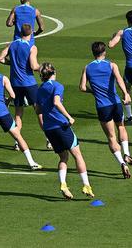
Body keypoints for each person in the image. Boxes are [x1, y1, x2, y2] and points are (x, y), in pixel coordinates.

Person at [36, 63, 93, 200]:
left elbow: (38, 110)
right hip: (61, 126)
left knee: (63, 157)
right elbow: (56, 102)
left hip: (49, 129)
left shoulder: (39, 89)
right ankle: (86, 185)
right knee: (78, 155)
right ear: (53, 72)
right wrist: (69, 117)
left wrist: (45, 126)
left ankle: (63, 184)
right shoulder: (57, 86)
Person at [80, 41, 132, 177]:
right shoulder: (112, 65)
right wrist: (126, 94)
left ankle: (122, 162)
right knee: (121, 127)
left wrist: (94, 92)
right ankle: (127, 153)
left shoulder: (87, 68)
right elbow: (120, 80)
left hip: (102, 106)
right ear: (104, 52)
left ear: (93, 53)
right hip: (115, 103)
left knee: (111, 137)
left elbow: (82, 87)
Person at [0, 24, 39, 136]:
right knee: (39, 111)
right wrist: (44, 68)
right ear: (31, 33)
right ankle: (49, 139)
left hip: (15, 83)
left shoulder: (12, 44)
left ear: (20, 32)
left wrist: (12, 63)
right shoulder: (32, 47)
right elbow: (34, 66)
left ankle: (17, 141)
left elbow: (0, 58)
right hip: (29, 83)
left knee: (18, 113)